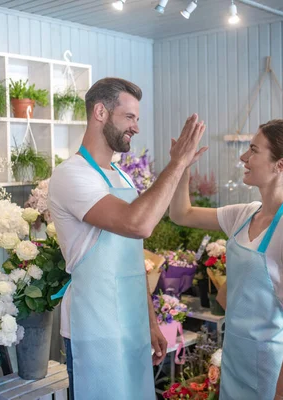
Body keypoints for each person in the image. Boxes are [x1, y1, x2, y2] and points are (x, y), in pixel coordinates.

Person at [48, 77, 207, 399]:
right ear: (100, 112)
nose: (136, 127)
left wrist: (149, 321)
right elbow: (138, 225)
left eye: (137, 119)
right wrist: (176, 163)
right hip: (95, 327)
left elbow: (132, 259)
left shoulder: (120, 175)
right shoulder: (72, 174)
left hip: (132, 322)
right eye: (129, 117)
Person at [169, 119, 283, 400]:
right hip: (235, 363)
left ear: (281, 165)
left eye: (253, 150)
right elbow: (181, 214)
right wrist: (182, 167)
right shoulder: (245, 214)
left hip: (274, 373)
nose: (244, 157)